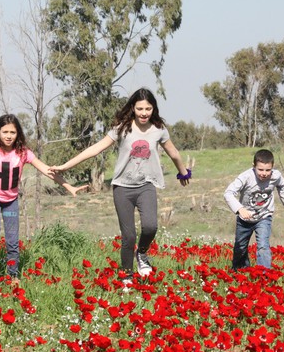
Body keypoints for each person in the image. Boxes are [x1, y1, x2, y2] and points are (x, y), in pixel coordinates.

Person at [50, 88, 191, 286]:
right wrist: (65, 166)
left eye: (148, 109)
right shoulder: (122, 128)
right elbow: (95, 149)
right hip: (122, 188)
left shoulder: (159, 129)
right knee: (129, 236)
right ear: (133, 108)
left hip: (146, 185)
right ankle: (126, 276)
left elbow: (174, 153)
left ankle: (141, 254)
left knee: (151, 226)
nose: (144, 113)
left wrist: (183, 172)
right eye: (140, 108)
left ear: (153, 109)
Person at [0, 114, 87, 284]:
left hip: (11, 200)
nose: (8, 136)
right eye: (5, 132)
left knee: (12, 239)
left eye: (12, 132)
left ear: (18, 134)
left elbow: (47, 170)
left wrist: (69, 186)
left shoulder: (23, 153)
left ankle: (13, 275)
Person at [224, 149, 284, 270]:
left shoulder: (276, 176)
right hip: (244, 219)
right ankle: (241, 272)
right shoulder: (245, 177)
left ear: (272, 167)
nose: (264, 173)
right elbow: (228, 193)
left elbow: (282, 185)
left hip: (264, 216)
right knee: (240, 247)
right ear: (253, 166)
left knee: (263, 246)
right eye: (260, 169)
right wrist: (240, 209)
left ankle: (263, 275)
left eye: (268, 170)